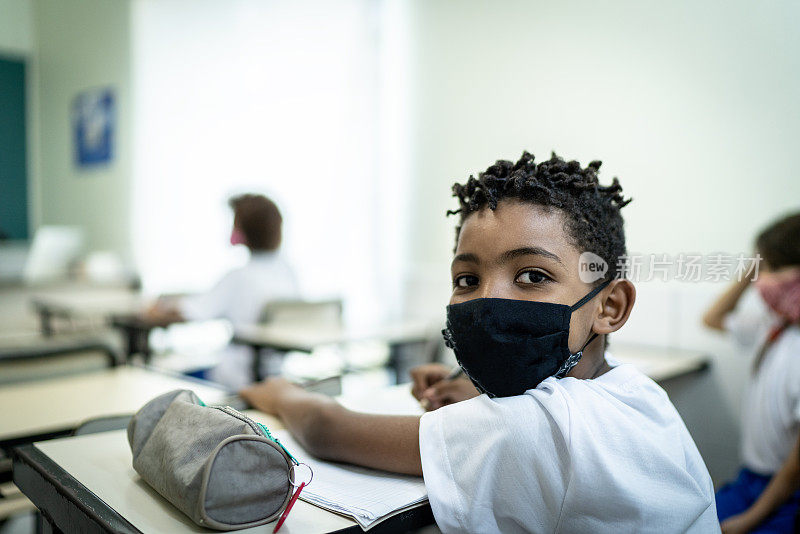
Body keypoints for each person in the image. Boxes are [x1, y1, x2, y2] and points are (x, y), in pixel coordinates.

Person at [241, 152, 717, 533]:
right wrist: (474, 390)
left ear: (609, 306)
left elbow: (327, 429)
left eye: (532, 275)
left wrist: (279, 392)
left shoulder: (534, 430)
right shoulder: (637, 394)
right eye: (467, 278)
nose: (488, 300)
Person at [704, 212, 800, 533]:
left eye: (772, 267)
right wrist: (753, 269)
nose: (763, 280)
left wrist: (750, 520)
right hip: (750, 479)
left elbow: (795, 467)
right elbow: (713, 318)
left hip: (786, 492)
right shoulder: (774, 327)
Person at [149, 193, 299, 389]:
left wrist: (157, 308)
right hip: (275, 378)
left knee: (162, 376)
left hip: (234, 381)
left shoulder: (238, 277)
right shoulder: (287, 272)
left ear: (242, 231)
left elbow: (191, 311)